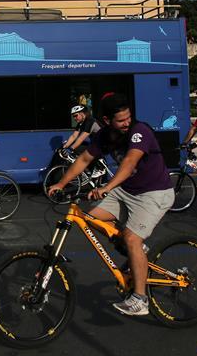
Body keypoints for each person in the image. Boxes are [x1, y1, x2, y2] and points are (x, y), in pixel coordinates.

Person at [48, 93, 173, 316]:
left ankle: (140, 299)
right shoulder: (105, 135)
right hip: (127, 190)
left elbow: (129, 162)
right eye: (121, 120)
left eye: (128, 118)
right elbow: (84, 159)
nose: (127, 123)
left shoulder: (139, 131)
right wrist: (60, 182)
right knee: (91, 219)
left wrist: (106, 187)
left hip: (154, 192)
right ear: (107, 120)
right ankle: (136, 251)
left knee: (132, 238)